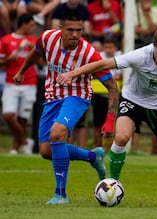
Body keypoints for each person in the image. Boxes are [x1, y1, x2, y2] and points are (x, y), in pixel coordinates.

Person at [57, 27, 157, 208]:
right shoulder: (140, 56)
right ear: (153, 47)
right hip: (133, 101)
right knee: (122, 137)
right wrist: (72, 73)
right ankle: (112, 185)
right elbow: (102, 64)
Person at [13, 10, 119, 204]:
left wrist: (110, 119)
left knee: (57, 134)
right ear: (60, 28)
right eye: (70, 30)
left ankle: (60, 194)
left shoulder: (89, 54)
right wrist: (21, 71)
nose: (75, 35)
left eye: (79, 30)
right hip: (52, 96)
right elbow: (35, 53)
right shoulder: (47, 38)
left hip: (77, 97)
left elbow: (112, 87)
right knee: (46, 151)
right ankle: (92, 157)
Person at [0, 13, 37, 155]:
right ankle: (25, 142)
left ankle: (15, 149)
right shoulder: (6, 40)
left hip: (29, 83)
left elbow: (41, 62)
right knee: (8, 116)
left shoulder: (33, 40)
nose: (33, 28)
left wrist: (32, 47)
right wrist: (9, 60)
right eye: (32, 25)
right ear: (24, 24)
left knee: (22, 119)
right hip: (11, 83)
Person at [92, 37, 122, 153]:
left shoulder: (121, 56)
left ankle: (113, 149)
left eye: (111, 47)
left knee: (116, 124)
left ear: (116, 48)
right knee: (97, 124)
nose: (108, 50)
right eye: (106, 47)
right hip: (100, 95)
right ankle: (98, 148)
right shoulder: (98, 56)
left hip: (116, 95)